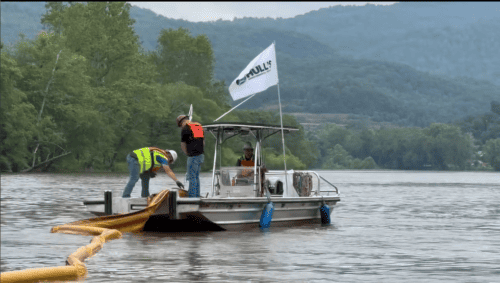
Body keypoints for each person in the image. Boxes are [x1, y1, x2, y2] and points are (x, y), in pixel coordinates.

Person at [177, 115, 205, 198]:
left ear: (181, 122)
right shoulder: (198, 126)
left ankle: (192, 197)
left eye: (180, 125)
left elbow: (183, 144)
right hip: (200, 155)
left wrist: (187, 153)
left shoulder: (185, 128)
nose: (181, 126)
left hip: (192, 156)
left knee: (191, 177)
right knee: (196, 177)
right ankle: (196, 195)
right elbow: (203, 142)